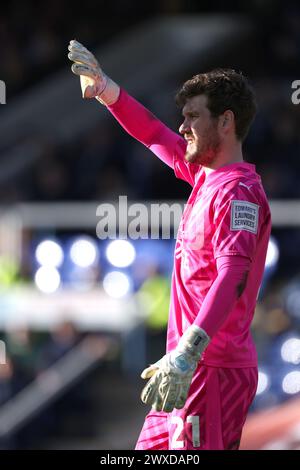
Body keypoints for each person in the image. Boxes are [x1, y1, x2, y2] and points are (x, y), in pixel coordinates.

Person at [68, 40, 271, 450]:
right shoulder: (205, 178)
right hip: (180, 369)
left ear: (226, 121)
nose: (183, 126)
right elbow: (153, 133)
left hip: (209, 368)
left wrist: (189, 351)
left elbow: (234, 273)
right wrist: (107, 90)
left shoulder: (238, 192)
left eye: (193, 116)